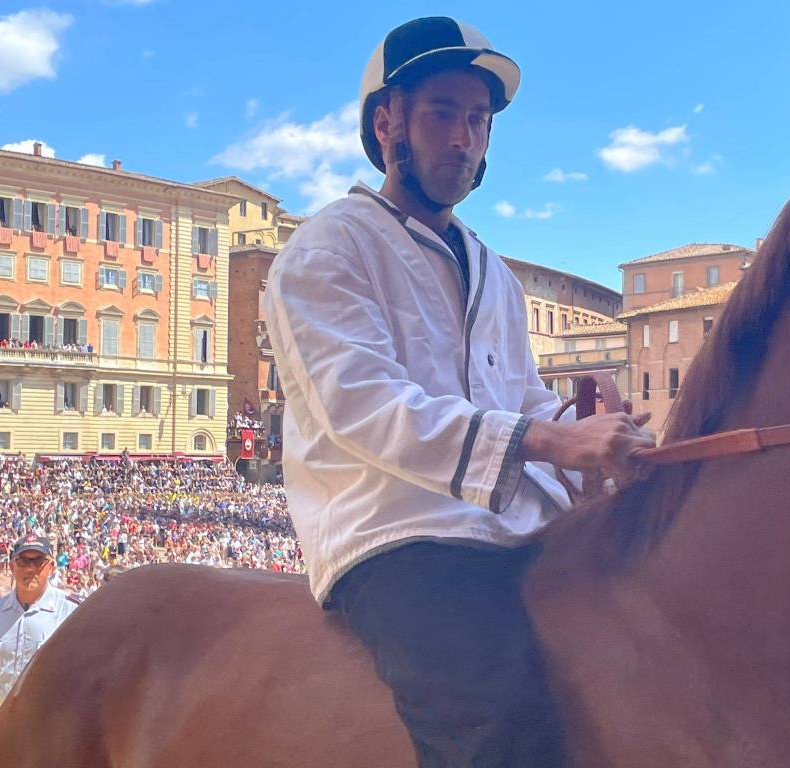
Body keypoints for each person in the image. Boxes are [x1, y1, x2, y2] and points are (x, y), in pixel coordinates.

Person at [264, 16, 655, 766]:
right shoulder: (327, 246)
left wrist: (593, 430)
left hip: (513, 526)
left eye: (478, 121)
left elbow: (520, 395)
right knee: (495, 718)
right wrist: (550, 439)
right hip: (396, 537)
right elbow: (365, 407)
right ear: (388, 123)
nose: (464, 138)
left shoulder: (492, 269)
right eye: (443, 112)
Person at [0, 535, 79, 764]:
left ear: (50, 566)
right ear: (11, 565)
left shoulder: (71, 613)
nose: (30, 569)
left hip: (48, 722)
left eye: (38, 561)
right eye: (23, 561)